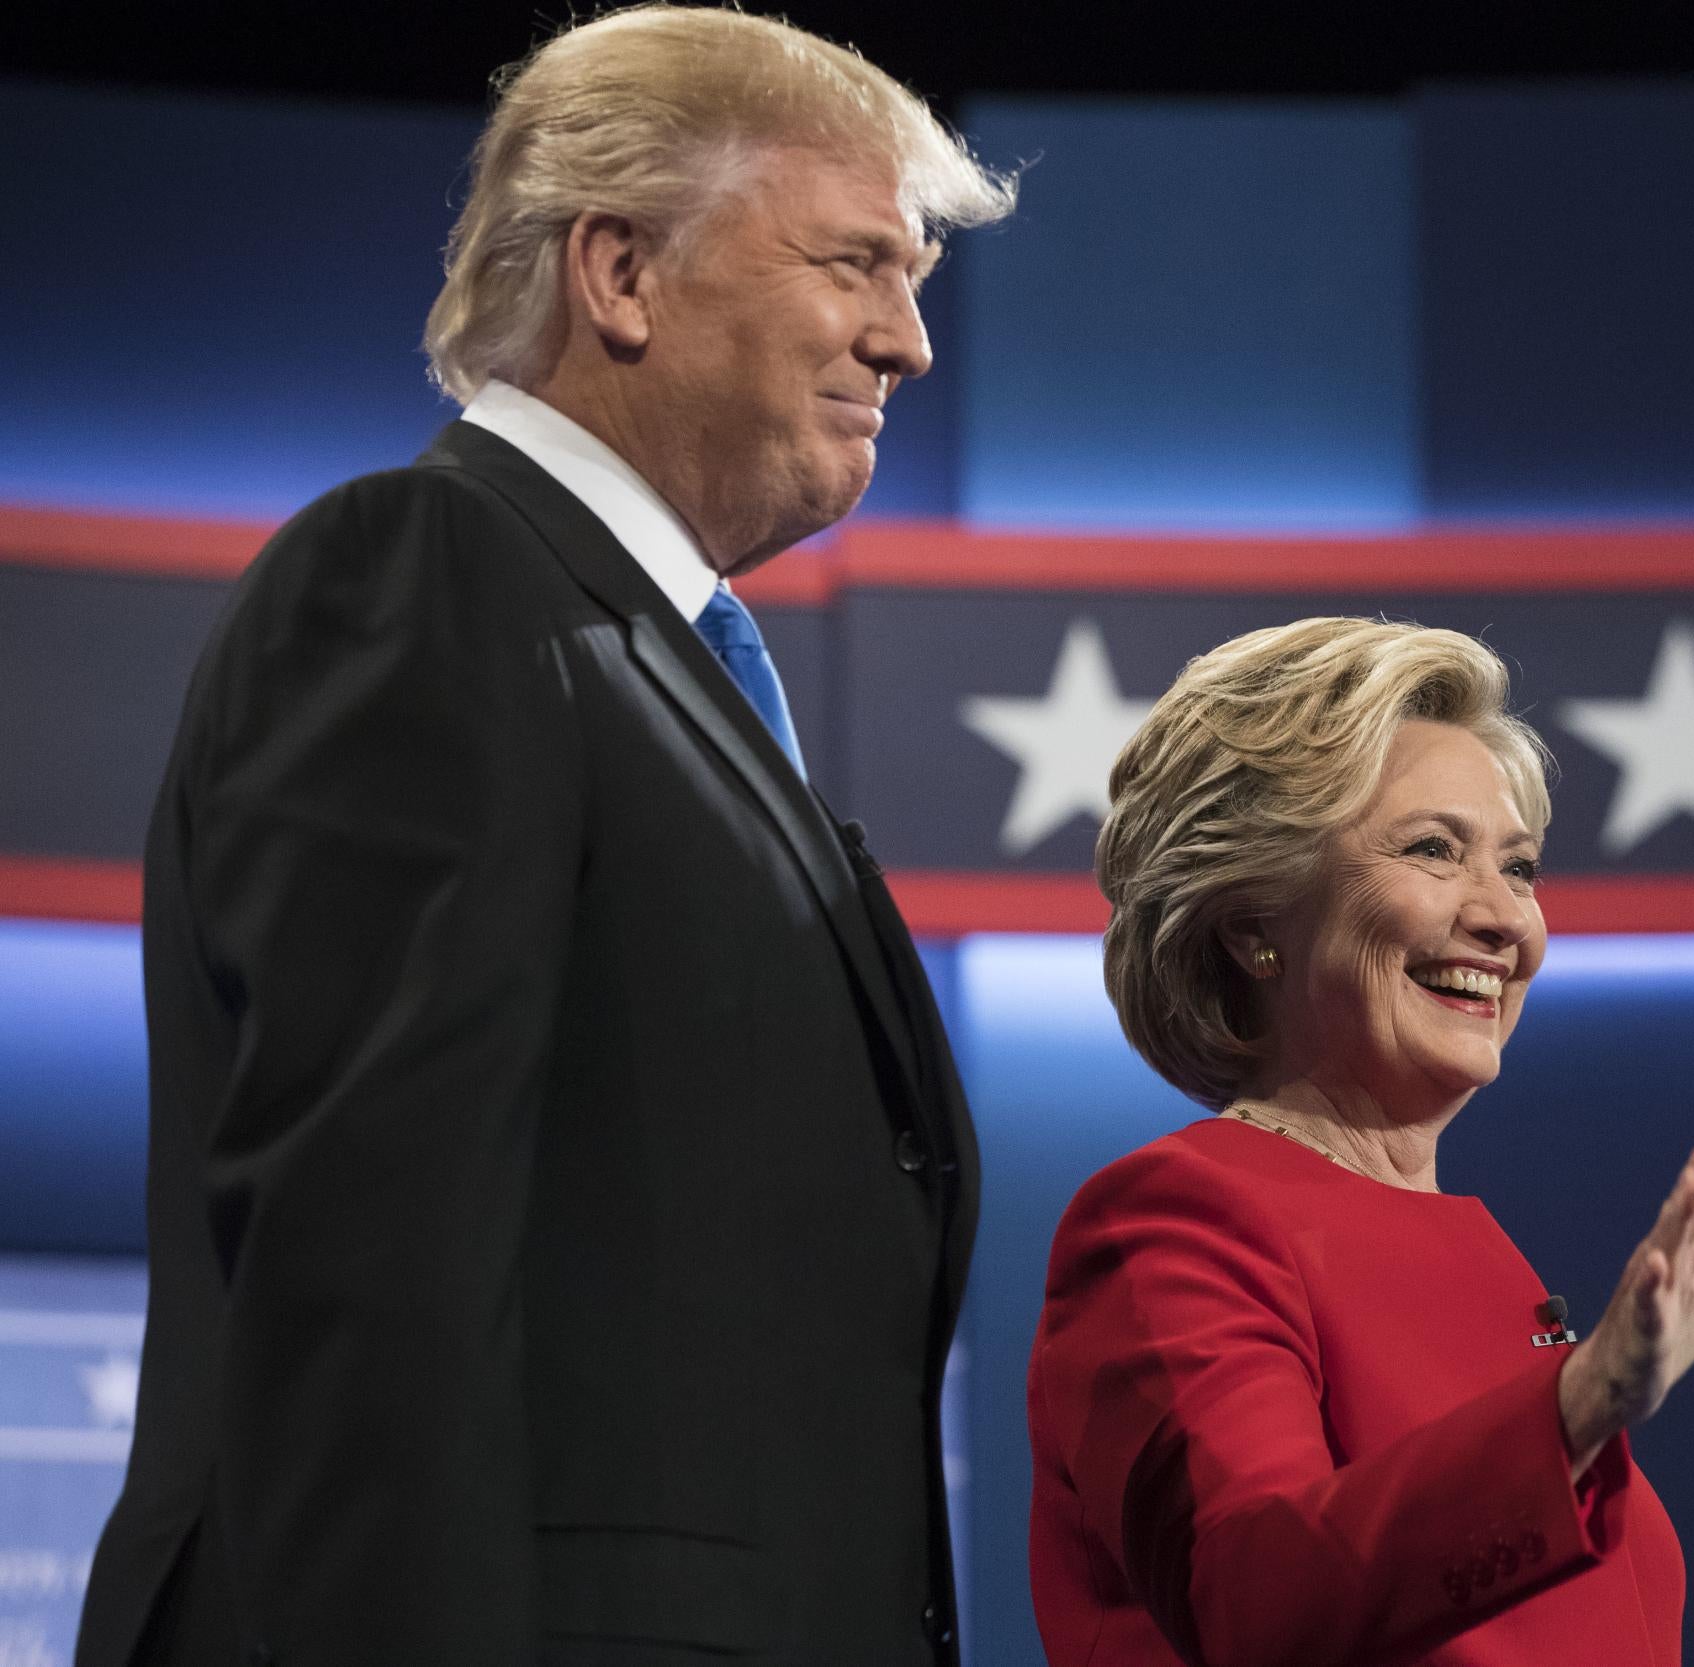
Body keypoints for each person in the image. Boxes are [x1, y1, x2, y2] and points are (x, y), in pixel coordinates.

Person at [77, 9, 1014, 1664]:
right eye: (858, 263)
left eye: (917, 279)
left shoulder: (654, 667)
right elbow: (372, 1294)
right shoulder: (430, 581)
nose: (908, 342)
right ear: (621, 273)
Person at [1027, 618, 1694, 1666]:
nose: (1504, 919)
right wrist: (1578, 1406)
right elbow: (1256, 1596)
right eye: (1432, 849)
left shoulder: (1488, 1261)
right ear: (1255, 921)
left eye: (1517, 868)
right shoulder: (1175, 1221)